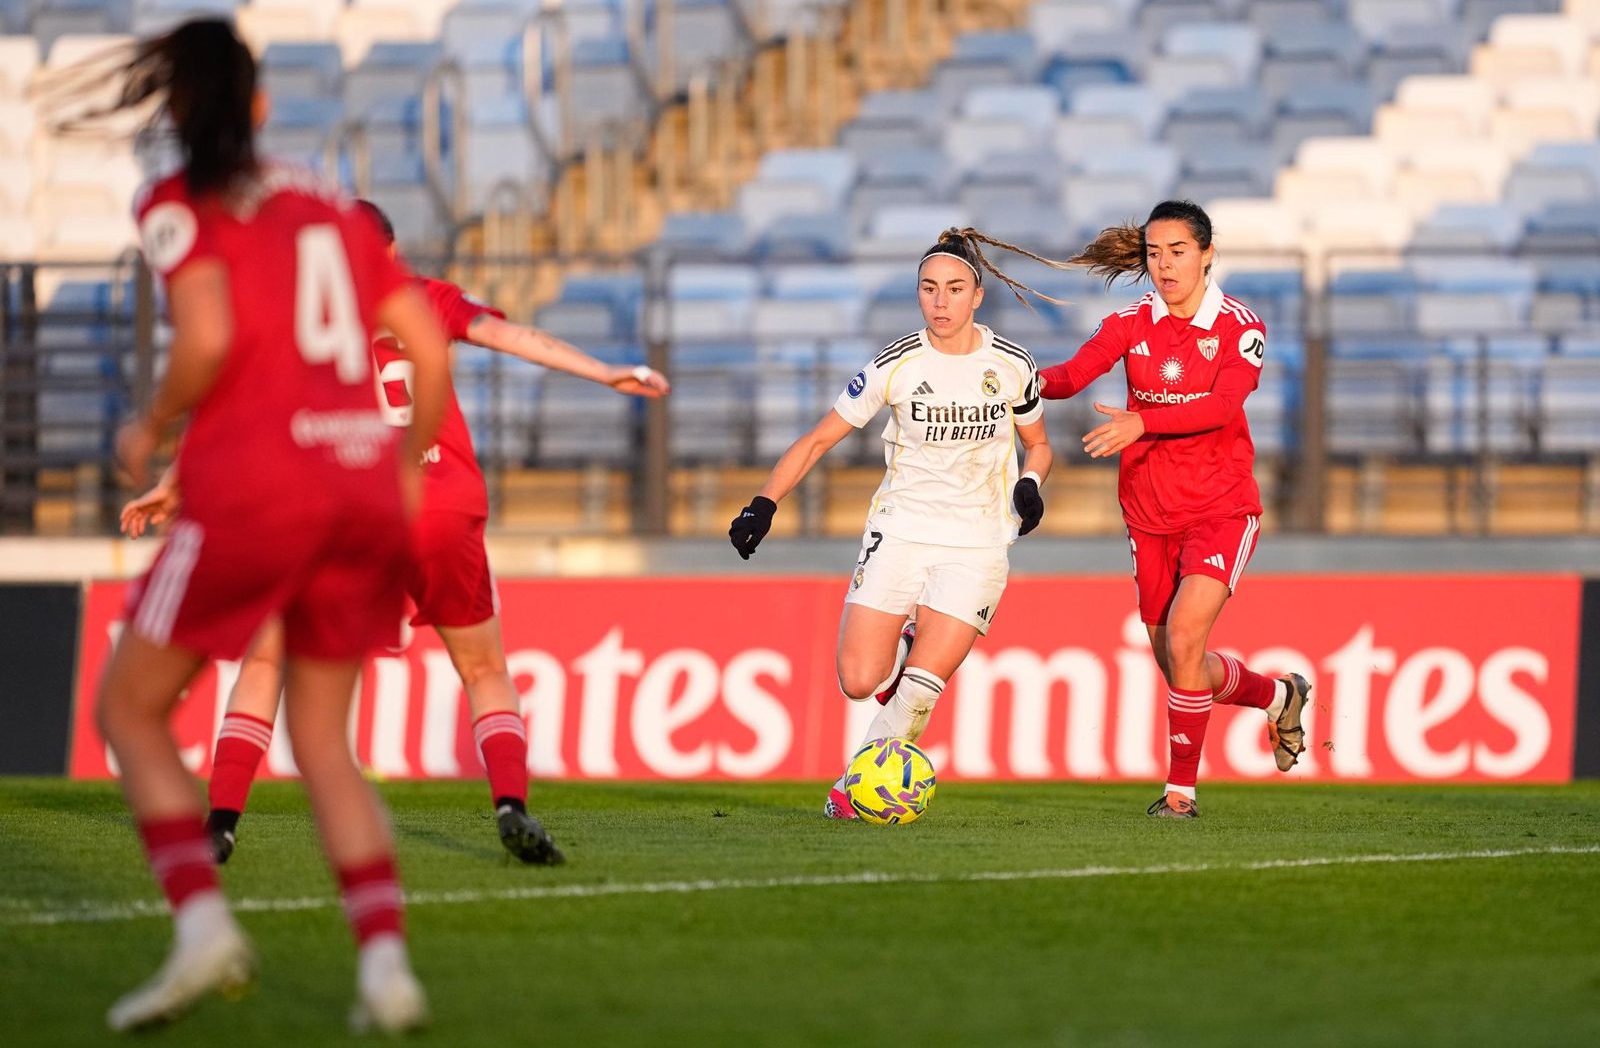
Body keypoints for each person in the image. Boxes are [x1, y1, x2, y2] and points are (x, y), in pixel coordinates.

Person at [62, 20, 449, 1032]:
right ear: (264, 105)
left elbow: (208, 335)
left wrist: (150, 420)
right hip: (357, 482)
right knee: (324, 741)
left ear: (176, 110)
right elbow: (421, 345)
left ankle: (201, 928)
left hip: (257, 486)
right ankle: (386, 969)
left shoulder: (175, 201)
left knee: (132, 710)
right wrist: (401, 472)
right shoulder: (326, 198)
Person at [121, 200, 671, 866]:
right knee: (484, 667)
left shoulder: (307, 324)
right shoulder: (423, 298)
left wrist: (174, 485)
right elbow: (516, 338)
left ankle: (221, 821)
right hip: (441, 504)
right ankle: (510, 807)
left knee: (267, 661)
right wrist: (606, 371)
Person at [728, 228, 1052, 818]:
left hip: (979, 539)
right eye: (929, 289)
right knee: (857, 679)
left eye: (954, 288)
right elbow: (821, 436)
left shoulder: (1011, 365)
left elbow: (1040, 444)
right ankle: (904, 637)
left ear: (977, 295)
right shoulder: (896, 363)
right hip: (902, 528)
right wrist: (764, 502)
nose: (941, 301)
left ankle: (853, 793)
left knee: (922, 690)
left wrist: (1030, 483)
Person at [1038, 199, 1311, 819]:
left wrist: (1143, 422)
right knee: (1177, 660)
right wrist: (1008, 376)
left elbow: (1221, 407)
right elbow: (1073, 375)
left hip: (1220, 505)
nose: (1165, 266)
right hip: (1147, 511)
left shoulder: (1242, 326)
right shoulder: (1131, 322)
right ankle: (1279, 695)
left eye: (1178, 252)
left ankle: (1180, 796)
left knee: (1187, 637)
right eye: (1155, 253)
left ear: (1208, 254)